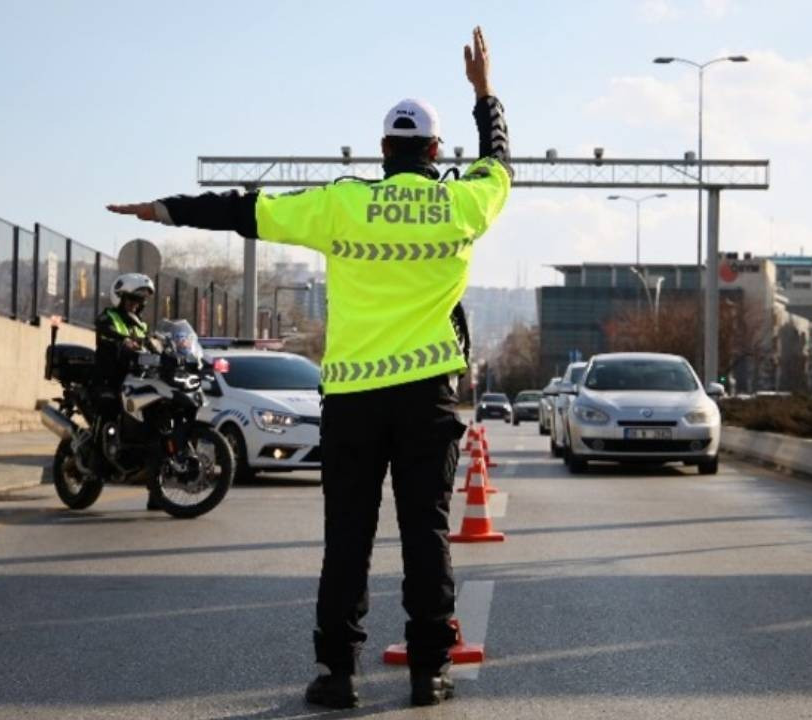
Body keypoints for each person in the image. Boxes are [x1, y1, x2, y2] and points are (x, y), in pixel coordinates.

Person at [107, 26, 509, 707]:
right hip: (426, 400)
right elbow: (500, 162)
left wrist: (163, 209)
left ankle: (337, 675)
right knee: (427, 533)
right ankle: (429, 670)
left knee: (347, 539)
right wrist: (485, 93)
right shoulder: (462, 202)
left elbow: (244, 211)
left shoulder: (341, 202)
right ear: (437, 153)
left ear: (384, 151)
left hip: (353, 399)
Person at [93, 273, 160, 510]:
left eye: (138, 301)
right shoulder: (108, 317)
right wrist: (122, 339)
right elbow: (105, 329)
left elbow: (151, 344)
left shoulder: (140, 324)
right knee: (109, 411)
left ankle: (156, 493)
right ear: (119, 297)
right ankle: (98, 460)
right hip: (110, 379)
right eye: (131, 299)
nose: (135, 304)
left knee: (153, 430)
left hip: (136, 381)